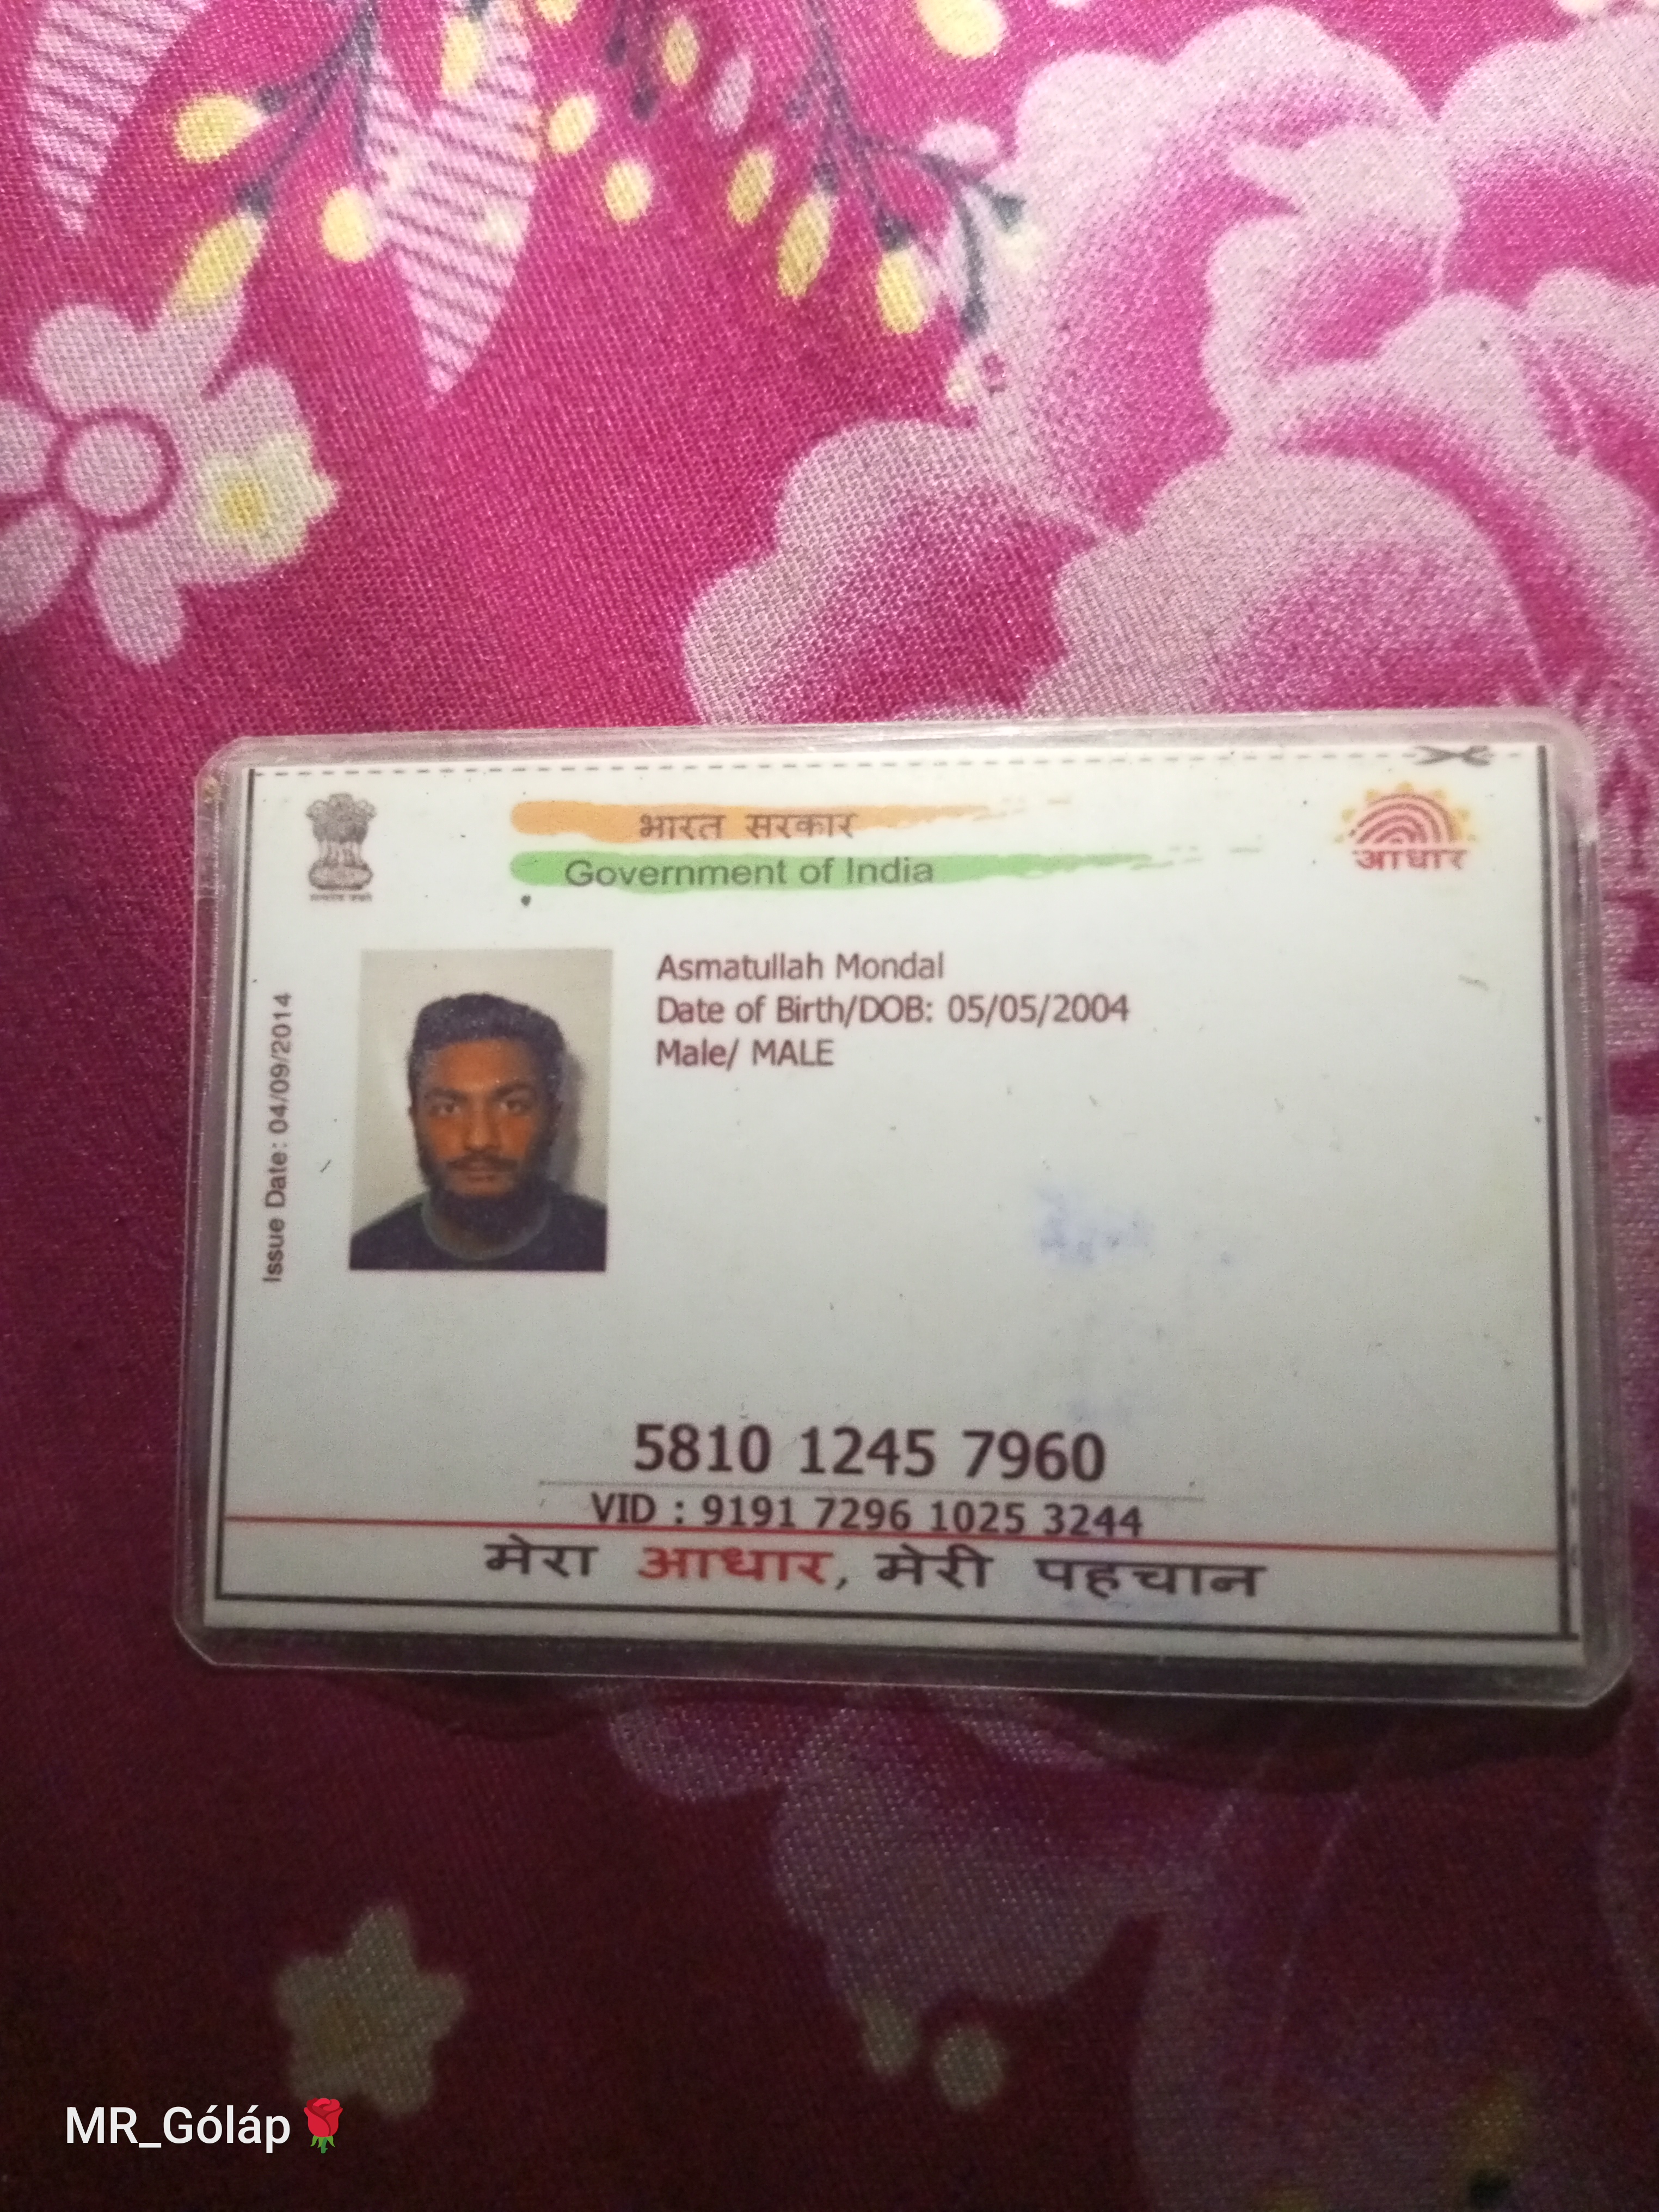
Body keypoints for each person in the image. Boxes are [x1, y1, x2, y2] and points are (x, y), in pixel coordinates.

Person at [350, 992, 607, 1270]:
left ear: (554, 1118)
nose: (479, 1140)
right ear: (416, 1121)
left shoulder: (611, 1247)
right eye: (448, 1109)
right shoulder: (365, 1258)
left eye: (513, 1106)